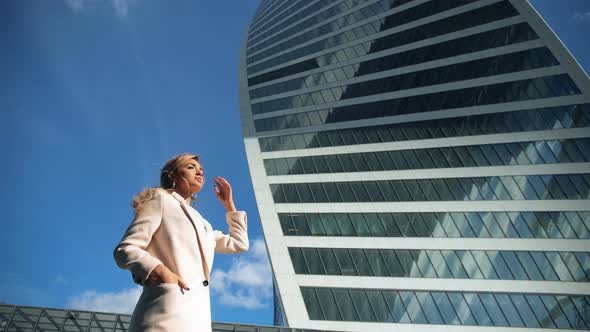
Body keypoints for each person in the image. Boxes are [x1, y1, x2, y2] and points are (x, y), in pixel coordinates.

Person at [113, 153, 249, 331]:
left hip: (197, 321)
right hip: (164, 314)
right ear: (173, 175)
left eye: (201, 170)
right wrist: (160, 271)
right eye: (191, 167)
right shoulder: (160, 198)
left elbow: (240, 244)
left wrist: (229, 205)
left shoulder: (204, 225)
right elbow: (126, 249)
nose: (199, 173)